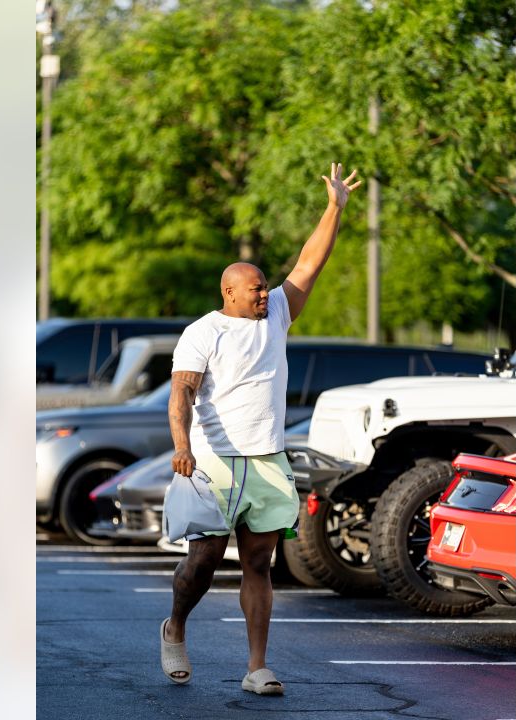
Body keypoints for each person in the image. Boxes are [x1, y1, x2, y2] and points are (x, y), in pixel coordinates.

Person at [159, 163, 362, 695]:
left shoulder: (276, 314)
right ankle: (176, 624)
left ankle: (256, 668)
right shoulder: (203, 333)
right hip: (214, 461)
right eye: (253, 287)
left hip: (267, 459)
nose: (263, 292)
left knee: (258, 563)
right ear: (228, 291)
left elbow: (310, 262)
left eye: (264, 285)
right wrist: (182, 447)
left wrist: (334, 206)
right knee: (202, 560)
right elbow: (181, 392)